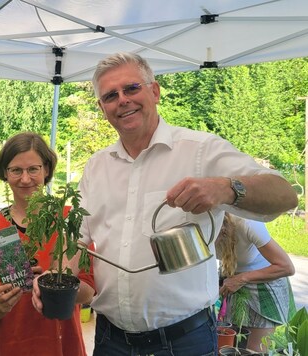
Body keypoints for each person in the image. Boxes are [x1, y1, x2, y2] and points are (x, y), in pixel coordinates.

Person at [58, 52, 297, 356]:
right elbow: (77, 240)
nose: (122, 100)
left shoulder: (200, 151)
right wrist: (59, 281)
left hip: (184, 342)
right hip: (110, 340)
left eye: (132, 88)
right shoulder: (96, 166)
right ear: (102, 108)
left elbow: (284, 194)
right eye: (110, 96)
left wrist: (225, 188)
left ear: (154, 91)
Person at [0, 132, 96, 356]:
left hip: (61, 346)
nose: (25, 179)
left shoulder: (69, 221)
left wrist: (54, 284)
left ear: (46, 170)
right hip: (4, 345)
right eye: (16, 170)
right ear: (5, 174)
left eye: (33, 169)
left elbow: (88, 291)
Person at [216, 213, 295, 352]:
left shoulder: (247, 222)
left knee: (253, 350)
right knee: (228, 347)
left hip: (264, 285)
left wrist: (241, 279)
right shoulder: (201, 226)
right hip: (233, 284)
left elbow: (286, 267)